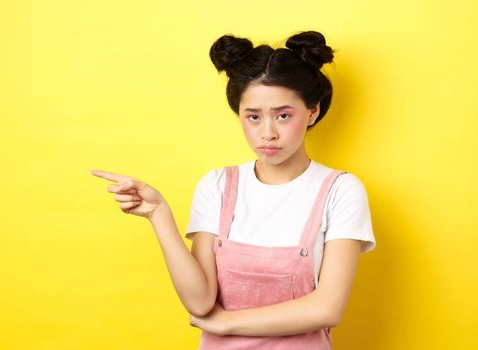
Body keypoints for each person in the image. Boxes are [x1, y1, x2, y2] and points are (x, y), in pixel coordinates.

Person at [90, 30, 376, 349]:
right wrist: (158, 214)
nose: (267, 133)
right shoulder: (218, 185)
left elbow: (326, 309)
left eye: (283, 115)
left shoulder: (340, 191)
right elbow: (200, 303)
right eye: (253, 116)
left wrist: (227, 322)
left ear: (313, 112)